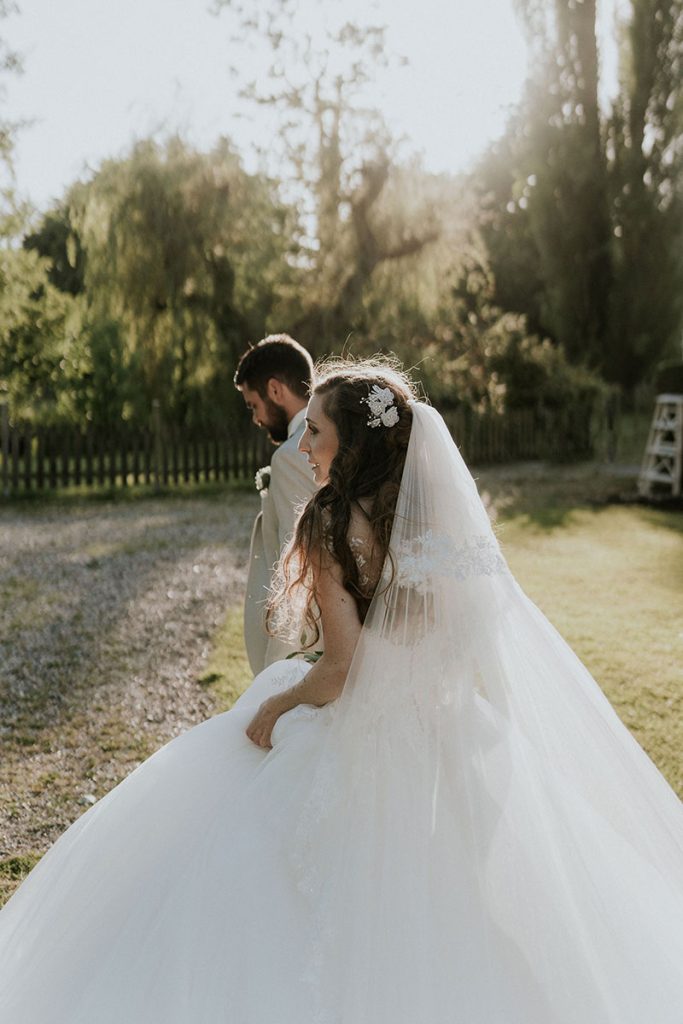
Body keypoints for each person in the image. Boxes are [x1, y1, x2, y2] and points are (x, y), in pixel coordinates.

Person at [1, 357, 682, 1024]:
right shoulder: (431, 522)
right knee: (471, 899)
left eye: (316, 432)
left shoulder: (329, 522)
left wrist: (275, 704)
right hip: (447, 729)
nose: (304, 444)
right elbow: (472, 637)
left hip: (364, 725)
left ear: (350, 442)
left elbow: (342, 669)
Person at [234, 333, 316, 673]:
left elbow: (295, 557)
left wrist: (277, 661)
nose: (255, 419)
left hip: (308, 632)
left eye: (254, 405)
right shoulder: (340, 433)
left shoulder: (292, 455)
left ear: (275, 390)